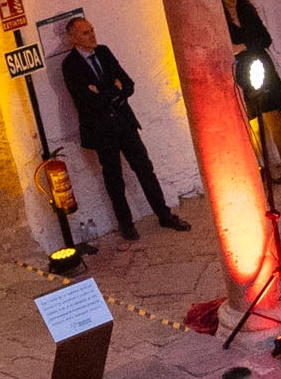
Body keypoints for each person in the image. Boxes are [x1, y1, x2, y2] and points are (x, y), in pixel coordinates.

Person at [57, 13, 188, 236]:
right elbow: (87, 101)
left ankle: (164, 215)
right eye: (85, 33)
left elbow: (127, 84)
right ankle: (126, 225)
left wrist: (106, 92)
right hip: (102, 130)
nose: (92, 36)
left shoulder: (104, 52)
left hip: (124, 123)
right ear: (73, 38)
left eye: (92, 30)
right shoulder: (70, 65)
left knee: (145, 169)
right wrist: (113, 91)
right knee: (114, 178)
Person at [218, 0, 281, 180]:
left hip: (262, 65)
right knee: (254, 120)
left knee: (274, 116)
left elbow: (265, 39)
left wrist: (243, 46)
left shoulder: (247, 13)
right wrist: (242, 49)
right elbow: (225, 49)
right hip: (242, 71)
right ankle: (265, 169)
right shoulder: (219, 21)